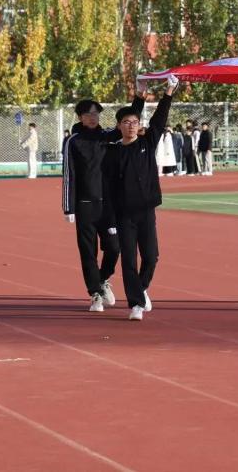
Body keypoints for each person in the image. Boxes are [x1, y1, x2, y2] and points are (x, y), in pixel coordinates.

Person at [63, 89, 146, 313]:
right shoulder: (73, 141)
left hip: (109, 205)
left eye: (96, 114)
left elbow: (129, 119)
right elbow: (69, 175)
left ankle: (102, 279)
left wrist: (139, 99)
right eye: (88, 114)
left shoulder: (107, 136)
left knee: (114, 247)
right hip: (84, 205)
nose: (93, 117)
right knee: (88, 252)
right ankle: (95, 294)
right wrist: (68, 207)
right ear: (80, 117)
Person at [104, 75, 179, 321]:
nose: (131, 126)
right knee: (129, 260)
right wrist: (111, 221)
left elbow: (159, 119)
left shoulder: (148, 142)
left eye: (135, 122)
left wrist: (169, 91)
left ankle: (141, 287)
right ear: (119, 126)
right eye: (126, 122)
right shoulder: (112, 152)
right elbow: (109, 189)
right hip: (124, 215)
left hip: (146, 211)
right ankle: (135, 304)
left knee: (151, 256)